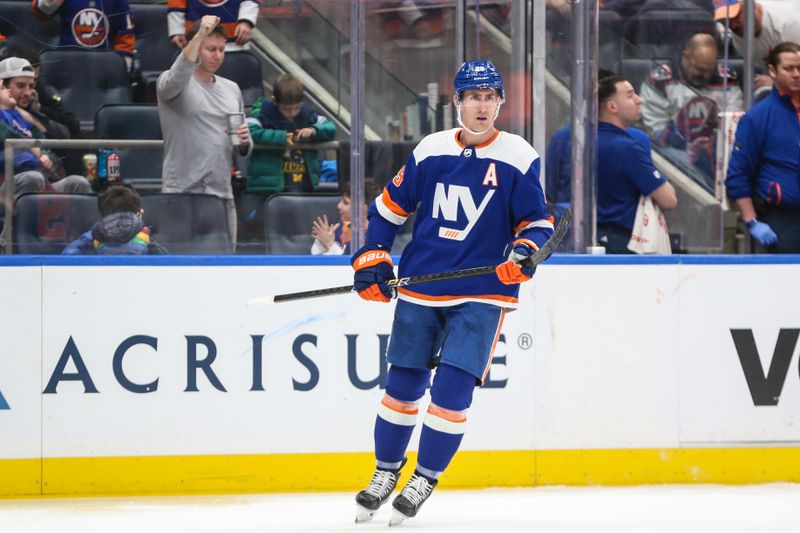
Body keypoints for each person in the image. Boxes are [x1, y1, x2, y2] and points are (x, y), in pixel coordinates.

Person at [351, 60, 554, 526]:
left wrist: (524, 250)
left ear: (500, 102)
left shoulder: (519, 156)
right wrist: (374, 255)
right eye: (473, 97)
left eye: (490, 97)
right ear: (457, 102)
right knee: (401, 389)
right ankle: (385, 472)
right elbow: (387, 210)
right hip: (422, 287)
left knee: (452, 389)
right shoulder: (430, 150)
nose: (482, 106)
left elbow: (537, 223)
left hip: (483, 293)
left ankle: (424, 476)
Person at [157, 15, 252, 248]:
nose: (218, 55)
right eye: (210, 49)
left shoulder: (232, 89)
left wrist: (244, 141)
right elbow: (179, 73)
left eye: (221, 49)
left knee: (226, 267)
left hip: (221, 194)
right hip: (180, 192)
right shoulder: (171, 83)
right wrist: (199, 34)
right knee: (177, 266)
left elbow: (243, 149)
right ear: (196, 47)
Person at [725, 41, 800, 253]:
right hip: (783, 221)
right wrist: (751, 220)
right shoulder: (757, 118)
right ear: (772, 71)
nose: (796, 74)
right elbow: (738, 175)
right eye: (789, 68)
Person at [640, 32, 743, 183]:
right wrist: (687, 144)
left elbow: (734, 121)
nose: (706, 75)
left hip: (718, 149)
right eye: (700, 69)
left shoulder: (727, 79)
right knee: (669, 156)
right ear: (686, 57)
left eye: (710, 69)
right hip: (678, 149)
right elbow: (655, 130)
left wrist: (712, 143)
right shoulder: (660, 80)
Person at [595, 73, 677, 253]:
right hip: (621, 242)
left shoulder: (578, 141)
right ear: (612, 106)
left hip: (590, 237)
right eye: (630, 95)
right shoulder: (627, 148)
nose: (639, 100)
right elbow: (668, 199)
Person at [0, 65, 90, 197]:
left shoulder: (19, 116)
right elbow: (5, 134)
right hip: (7, 186)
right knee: (32, 178)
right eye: (2, 88)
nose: (28, 92)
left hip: (41, 178)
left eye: (31, 87)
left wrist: (42, 153)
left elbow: (42, 140)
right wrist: (31, 148)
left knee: (78, 183)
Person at [246, 74, 336, 194]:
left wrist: (313, 131)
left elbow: (330, 128)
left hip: (304, 185)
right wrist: (280, 137)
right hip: (267, 188)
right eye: (287, 109)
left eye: (297, 108)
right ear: (274, 101)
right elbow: (250, 131)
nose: (292, 113)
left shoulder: (308, 115)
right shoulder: (262, 114)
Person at [714, 0, 800, 92]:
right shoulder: (739, 38)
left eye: (736, 17)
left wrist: (776, 82)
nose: (733, 25)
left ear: (752, 8)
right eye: (725, 22)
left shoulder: (790, 23)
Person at [62, 184, 167, 255]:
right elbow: (167, 261)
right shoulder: (145, 235)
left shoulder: (95, 234)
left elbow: (67, 255)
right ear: (139, 214)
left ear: (104, 216)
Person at [32, 0, 136, 70]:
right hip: (68, 64)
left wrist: (120, 70)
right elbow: (40, 13)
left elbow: (125, 39)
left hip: (103, 67)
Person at [4, 45, 80, 139]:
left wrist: (40, 111)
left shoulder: (38, 90)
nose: (28, 91)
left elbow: (72, 126)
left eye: (33, 81)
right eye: (21, 85)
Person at [310, 180, 376, 255]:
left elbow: (350, 265)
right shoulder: (341, 226)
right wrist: (322, 241)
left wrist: (330, 244)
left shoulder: (373, 240)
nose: (339, 206)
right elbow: (316, 258)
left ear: (363, 208)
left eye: (345, 202)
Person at [168, 0, 259, 51]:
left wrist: (246, 21)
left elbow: (250, 2)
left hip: (234, 46)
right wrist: (177, 31)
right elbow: (176, 4)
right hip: (195, 45)